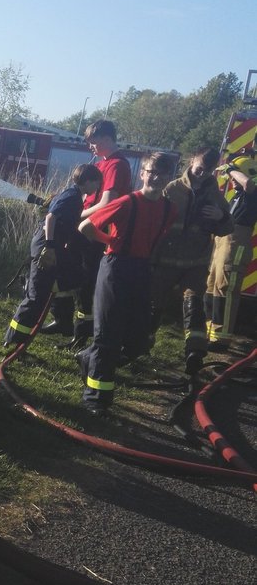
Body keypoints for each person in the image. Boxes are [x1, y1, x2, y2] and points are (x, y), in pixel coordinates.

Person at [76, 152, 176, 414]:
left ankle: (88, 357)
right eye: (151, 171)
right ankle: (95, 399)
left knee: (139, 338)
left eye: (162, 173)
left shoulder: (169, 209)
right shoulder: (127, 203)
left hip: (142, 270)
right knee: (107, 336)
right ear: (142, 173)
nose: (156, 177)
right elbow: (85, 226)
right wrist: (110, 241)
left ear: (169, 177)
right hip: (115, 267)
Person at [150, 148, 232, 373]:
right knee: (153, 304)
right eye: (200, 168)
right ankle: (140, 345)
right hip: (165, 260)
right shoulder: (172, 189)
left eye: (208, 171)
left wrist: (221, 217)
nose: (203, 173)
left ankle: (194, 353)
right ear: (191, 161)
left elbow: (227, 227)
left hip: (195, 263)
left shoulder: (214, 194)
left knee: (195, 305)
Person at [3, 163, 102, 348]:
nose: (98, 187)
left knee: (76, 277)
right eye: (96, 182)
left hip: (52, 245)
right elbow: (50, 218)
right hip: (46, 245)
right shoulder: (72, 197)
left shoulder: (73, 195)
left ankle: (45, 290)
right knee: (35, 298)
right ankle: (14, 339)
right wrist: (49, 246)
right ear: (87, 181)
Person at [72, 119, 133, 350]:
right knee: (80, 281)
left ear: (107, 138)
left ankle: (85, 336)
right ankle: (78, 330)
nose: (91, 147)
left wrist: (79, 213)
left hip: (97, 231)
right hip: (88, 226)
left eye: (93, 141)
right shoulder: (103, 162)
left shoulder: (117, 165)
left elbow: (108, 202)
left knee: (88, 283)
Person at [205, 149, 257, 346]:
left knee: (226, 288)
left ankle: (221, 336)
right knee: (212, 284)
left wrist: (231, 168)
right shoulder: (236, 196)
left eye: (234, 175)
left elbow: (249, 184)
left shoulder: (252, 193)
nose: (230, 179)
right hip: (223, 242)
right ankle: (209, 329)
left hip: (236, 244)